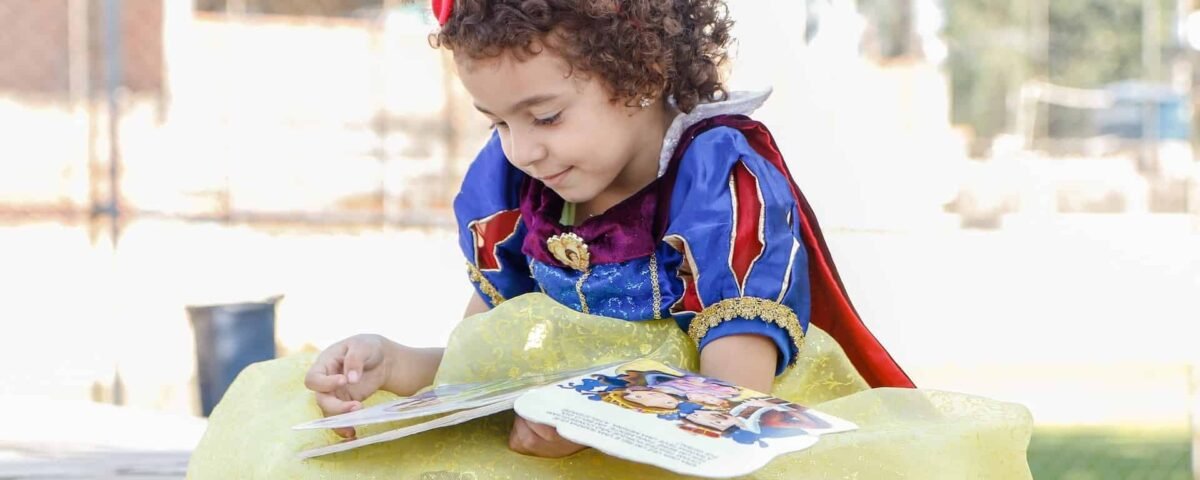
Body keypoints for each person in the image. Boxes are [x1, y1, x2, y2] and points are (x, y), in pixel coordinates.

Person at [188, 1, 1033, 477]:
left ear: (643, 77)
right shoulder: (516, 186)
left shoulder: (716, 181)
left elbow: (728, 404)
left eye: (545, 115)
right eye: (497, 120)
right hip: (551, 435)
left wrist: (597, 426)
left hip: (688, 450)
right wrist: (393, 366)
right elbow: (487, 356)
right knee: (296, 447)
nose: (521, 147)